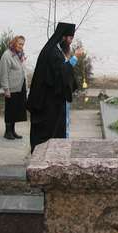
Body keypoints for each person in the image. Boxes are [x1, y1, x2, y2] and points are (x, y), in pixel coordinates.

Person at [27, 22, 81, 151]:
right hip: (48, 101)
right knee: (48, 130)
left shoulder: (53, 50)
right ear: (63, 37)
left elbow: (59, 71)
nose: (71, 42)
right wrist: (74, 59)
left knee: (52, 129)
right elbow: (60, 74)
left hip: (50, 99)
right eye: (70, 38)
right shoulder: (52, 52)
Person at [0, 35, 28, 140]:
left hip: (20, 86)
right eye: (19, 44)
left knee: (16, 110)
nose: (21, 46)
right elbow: (3, 73)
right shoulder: (7, 55)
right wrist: (6, 89)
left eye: (23, 44)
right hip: (11, 88)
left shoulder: (20, 55)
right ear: (14, 43)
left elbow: (22, 70)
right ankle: (7, 132)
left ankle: (13, 131)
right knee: (10, 110)